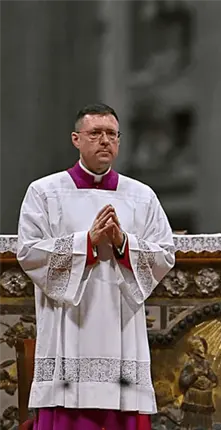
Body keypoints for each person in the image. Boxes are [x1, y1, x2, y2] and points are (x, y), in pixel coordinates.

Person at [16, 103, 176, 430]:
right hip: (69, 328)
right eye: (95, 133)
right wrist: (86, 243)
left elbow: (164, 254)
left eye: (111, 134)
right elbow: (29, 252)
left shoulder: (142, 196)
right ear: (76, 139)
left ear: (119, 141)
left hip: (121, 328)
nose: (105, 141)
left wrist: (122, 243)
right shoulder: (45, 192)